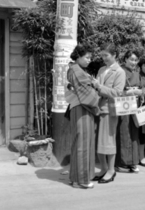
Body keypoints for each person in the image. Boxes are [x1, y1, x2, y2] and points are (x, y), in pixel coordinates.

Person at [65, 45, 100, 189]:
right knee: (83, 144)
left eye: (90, 58)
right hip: (82, 108)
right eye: (87, 57)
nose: (89, 60)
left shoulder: (75, 70)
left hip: (78, 107)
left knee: (79, 143)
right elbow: (88, 93)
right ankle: (82, 180)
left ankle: (75, 178)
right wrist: (96, 87)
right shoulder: (77, 71)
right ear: (78, 56)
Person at [91, 43, 125, 184]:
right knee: (99, 141)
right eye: (102, 55)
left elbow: (117, 92)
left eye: (106, 55)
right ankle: (104, 168)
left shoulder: (119, 72)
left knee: (108, 141)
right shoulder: (101, 69)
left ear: (114, 55)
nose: (104, 58)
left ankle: (111, 170)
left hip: (109, 110)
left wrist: (99, 86)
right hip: (98, 108)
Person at [115, 50, 143, 173]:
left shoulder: (137, 73)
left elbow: (142, 88)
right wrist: (131, 92)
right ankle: (123, 162)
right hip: (124, 104)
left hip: (134, 104)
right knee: (124, 131)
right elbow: (117, 90)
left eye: (136, 60)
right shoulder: (120, 71)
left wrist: (141, 92)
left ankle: (133, 161)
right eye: (131, 59)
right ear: (125, 59)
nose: (134, 62)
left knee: (134, 132)